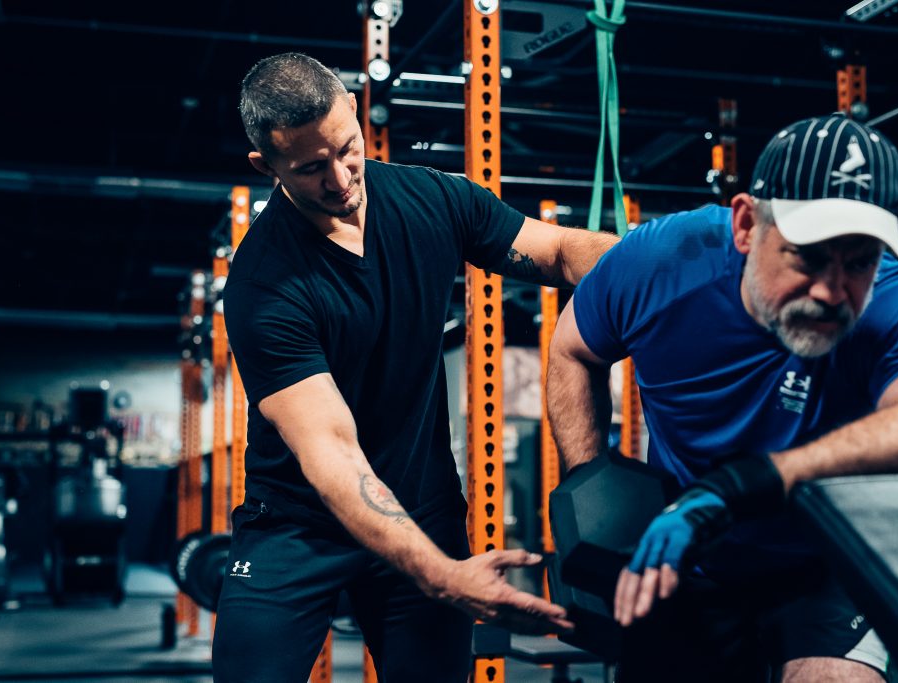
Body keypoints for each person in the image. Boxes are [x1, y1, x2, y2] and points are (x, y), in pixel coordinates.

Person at [211, 52, 618, 683]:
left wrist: (666, 271)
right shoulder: (264, 284)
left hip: (423, 505)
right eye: (311, 168)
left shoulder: (430, 198)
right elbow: (335, 458)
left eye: (348, 149)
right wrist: (442, 575)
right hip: (297, 526)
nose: (342, 179)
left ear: (354, 112)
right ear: (267, 167)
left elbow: (562, 250)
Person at [547, 113, 898, 682]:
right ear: (747, 224)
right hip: (688, 556)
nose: (831, 290)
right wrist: (593, 492)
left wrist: (744, 484)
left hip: (827, 559)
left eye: (858, 261)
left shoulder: (896, 299)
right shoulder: (661, 264)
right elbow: (571, 350)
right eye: (807, 256)